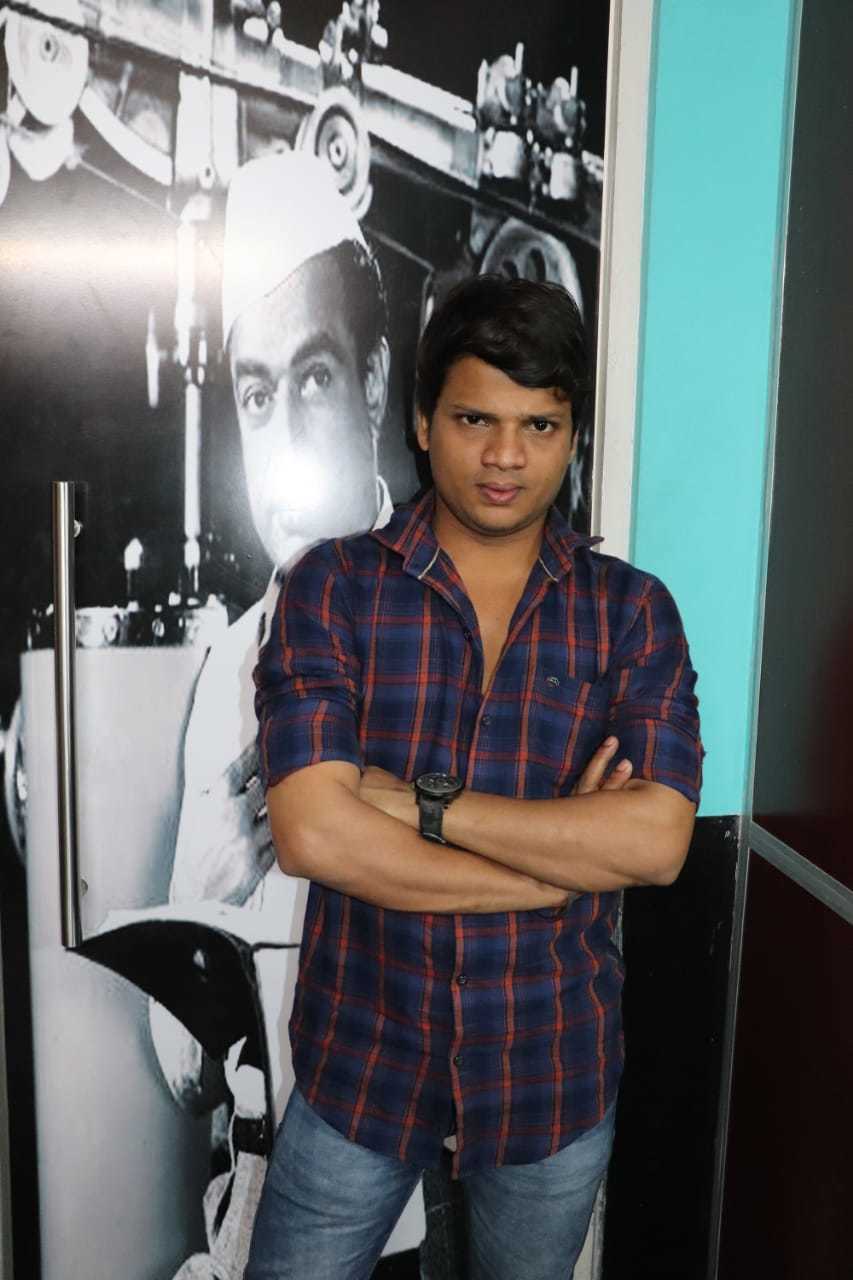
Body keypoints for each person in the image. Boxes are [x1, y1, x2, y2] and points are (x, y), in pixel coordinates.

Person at [247, 274, 703, 1280]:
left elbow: (656, 841)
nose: (506, 455)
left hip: (549, 1073)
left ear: (572, 435)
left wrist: (420, 802)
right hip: (361, 1062)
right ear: (421, 420)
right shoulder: (332, 587)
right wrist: (554, 872)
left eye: (539, 424)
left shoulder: (631, 612)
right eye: (474, 419)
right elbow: (314, 834)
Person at [150, 149, 413, 1279]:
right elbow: (181, 1074)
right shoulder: (226, 674)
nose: (285, 440)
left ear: (372, 384)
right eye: (259, 394)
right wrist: (205, 896)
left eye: (314, 377)